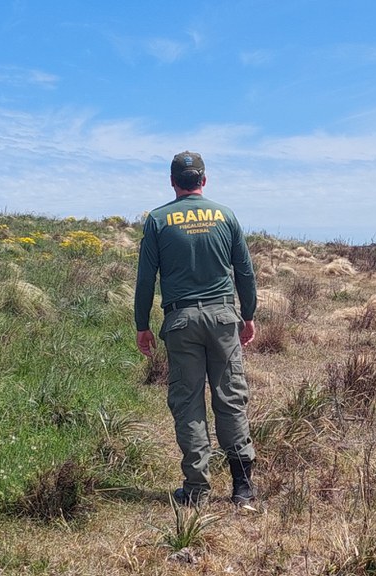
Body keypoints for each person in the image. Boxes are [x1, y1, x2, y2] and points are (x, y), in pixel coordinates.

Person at [134, 151, 257, 506]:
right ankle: (242, 487)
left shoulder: (158, 220)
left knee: (188, 401)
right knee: (230, 397)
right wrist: (248, 315)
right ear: (204, 180)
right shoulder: (226, 216)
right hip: (223, 319)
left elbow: (146, 279)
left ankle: (197, 488)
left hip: (181, 321)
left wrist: (142, 324)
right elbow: (245, 272)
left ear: (172, 181)